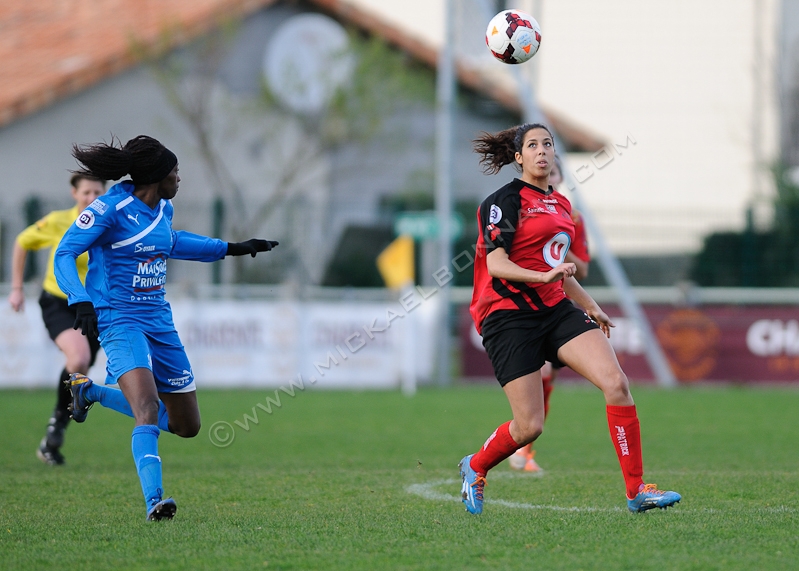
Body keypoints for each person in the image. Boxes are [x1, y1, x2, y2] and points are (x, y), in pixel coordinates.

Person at [54, 135, 279, 521]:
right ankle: (155, 501)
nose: (180, 177)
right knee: (146, 408)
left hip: (159, 319)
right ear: (158, 176)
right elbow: (64, 253)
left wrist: (231, 247)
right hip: (119, 319)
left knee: (187, 425)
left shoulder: (165, 209)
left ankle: (87, 390)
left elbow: (173, 243)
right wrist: (81, 299)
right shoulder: (108, 209)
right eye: (176, 171)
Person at [460, 123, 680, 514]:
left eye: (548, 144)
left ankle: (636, 490)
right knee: (529, 426)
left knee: (616, 383)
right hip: (508, 315)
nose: (542, 151)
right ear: (518, 157)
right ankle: (475, 466)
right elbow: (496, 264)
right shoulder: (504, 201)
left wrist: (590, 304)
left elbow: (559, 267)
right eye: (533, 145)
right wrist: (542, 277)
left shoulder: (561, 206)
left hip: (555, 308)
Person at [8, 174, 105, 466]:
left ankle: (54, 432)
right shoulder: (58, 221)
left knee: (82, 367)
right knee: (79, 358)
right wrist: (16, 288)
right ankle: (57, 423)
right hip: (59, 302)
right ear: (74, 193)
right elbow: (22, 242)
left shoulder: (108, 223)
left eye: (97, 192)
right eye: (86, 192)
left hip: (94, 307)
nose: (91, 198)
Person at [508, 155, 590, 473]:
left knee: (549, 377)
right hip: (524, 306)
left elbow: (581, 268)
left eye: (555, 172)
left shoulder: (572, 216)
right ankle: (520, 449)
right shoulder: (519, 208)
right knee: (541, 374)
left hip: (557, 303)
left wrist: (555, 242)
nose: (549, 175)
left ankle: (524, 449)